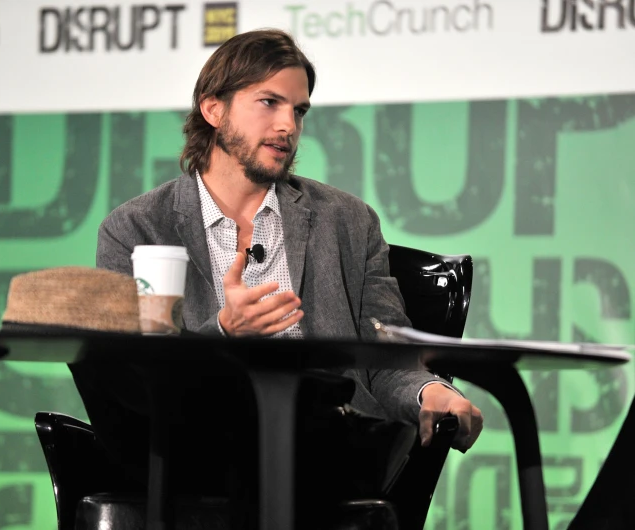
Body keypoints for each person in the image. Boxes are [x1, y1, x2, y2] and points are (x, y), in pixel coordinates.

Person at [70, 27, 483, 524]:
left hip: (326, 444)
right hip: (190, 446)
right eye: (269, 103)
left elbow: (385, 357)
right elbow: (130, 379)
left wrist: (430, 391)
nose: (288, 125)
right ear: (213, 109)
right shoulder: (135, 228)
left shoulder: (347, 222)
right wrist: (223, 334)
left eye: (299, 110)